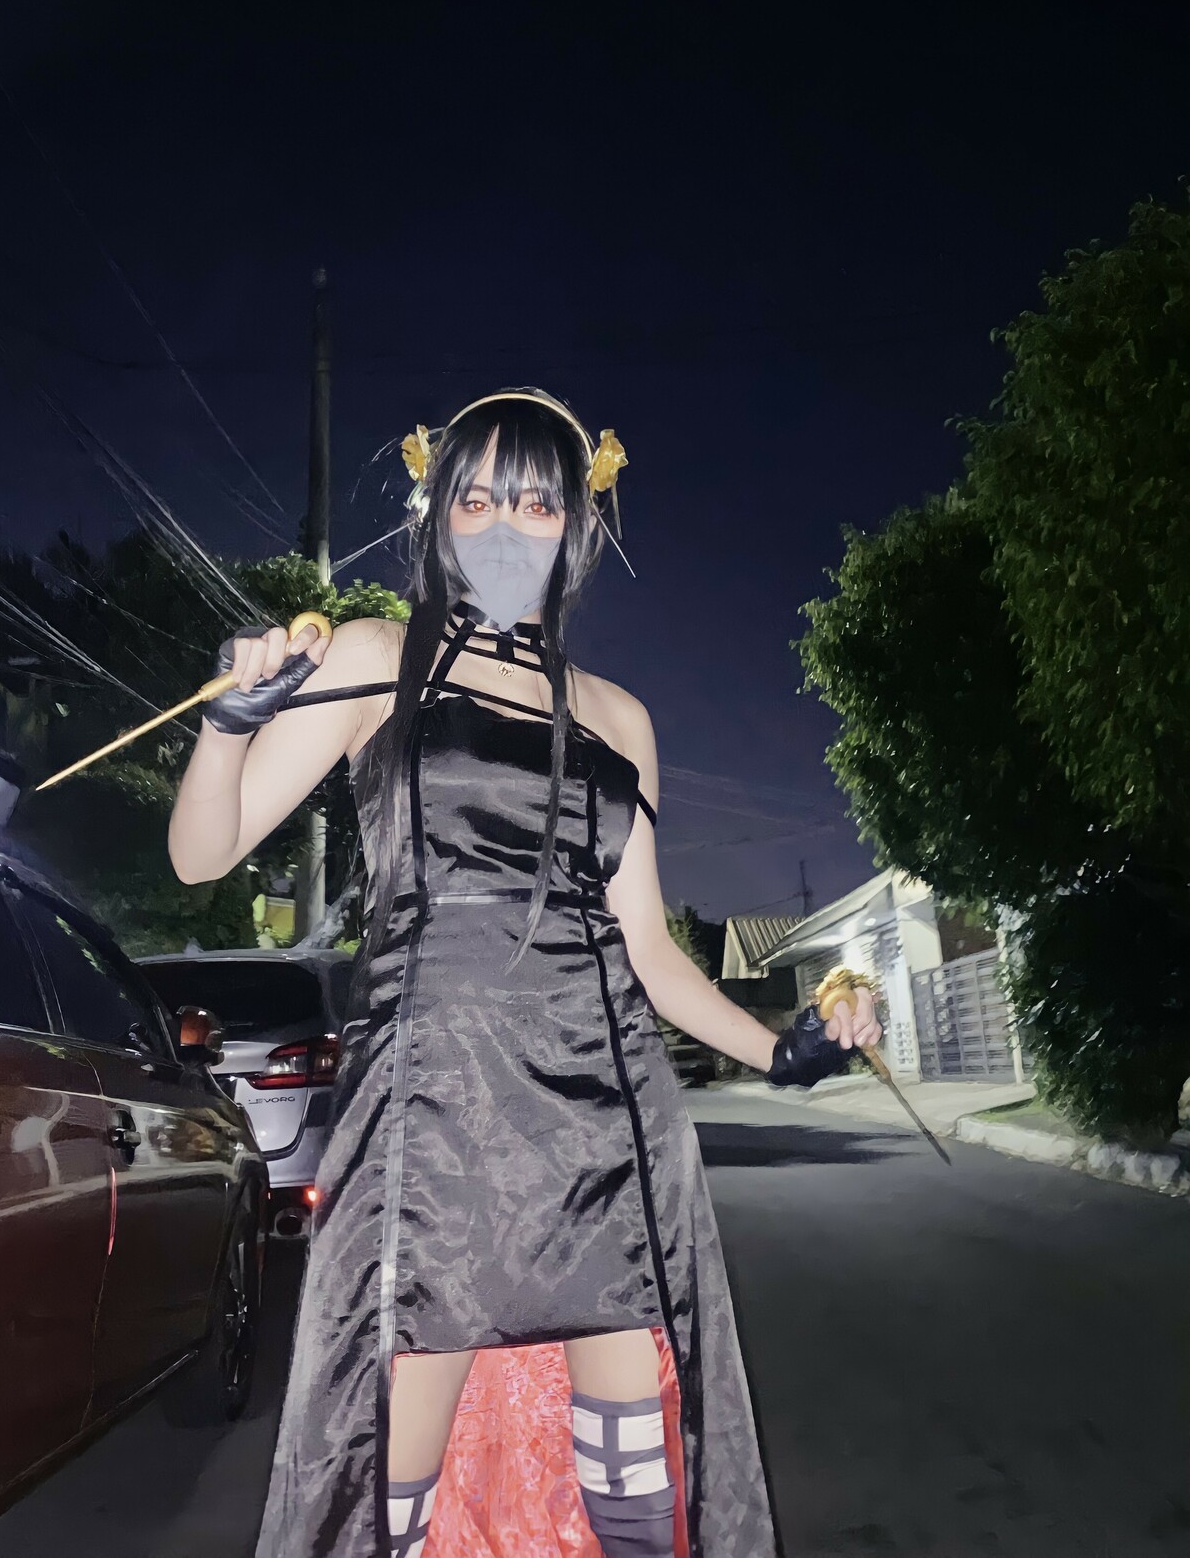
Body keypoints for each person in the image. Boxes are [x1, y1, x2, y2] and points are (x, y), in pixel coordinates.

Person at [168, 388, 881, 1558]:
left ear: (578, 528)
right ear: (437, 515)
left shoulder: (619, 716)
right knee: (386, 1489)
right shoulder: (375, 657)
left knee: (637, 1486)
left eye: (538, 503)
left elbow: (648, 950)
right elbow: (203, 853)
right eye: (480, 499)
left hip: (601, 1116)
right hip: (434, 1116)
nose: (507, 528)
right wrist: (229, 723)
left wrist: (787, 1048)